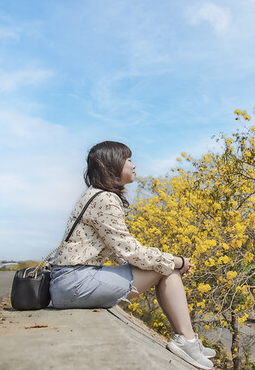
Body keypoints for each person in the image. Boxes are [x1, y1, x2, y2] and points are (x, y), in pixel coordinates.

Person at [49, 140, 215, 370]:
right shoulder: (105, 198)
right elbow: (131, 251)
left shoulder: (96, 195)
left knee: (163, 267)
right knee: (166, 270)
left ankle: (189, 340)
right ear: (113, 164)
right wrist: (177, 261)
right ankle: (187, 340)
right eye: (128, 160)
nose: (134, 165)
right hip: (74, 283)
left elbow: (120, 252)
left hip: (69, 281)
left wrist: (166, 262)